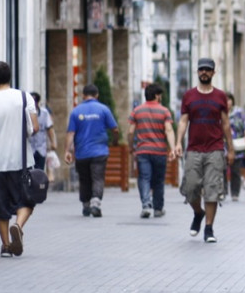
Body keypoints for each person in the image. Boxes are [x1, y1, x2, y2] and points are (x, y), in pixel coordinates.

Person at [0, 61, 38, 257]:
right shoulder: (24, 97)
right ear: (10, 77)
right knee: (26, 201)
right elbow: (34, 127)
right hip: (20, 160)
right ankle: (18, 226)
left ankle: (5, 245)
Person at [171, 58, 232, 243]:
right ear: (197, 72)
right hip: (194, 149)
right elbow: (183, 121)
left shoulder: (220, 96)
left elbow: (226, 123)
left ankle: (209, 228)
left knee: (212, 189)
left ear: (213, 73)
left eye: (208, 70)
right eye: (201, 70)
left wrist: (231, 148)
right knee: (191, 188)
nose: (204, 72)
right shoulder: (189, 96)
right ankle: (198, 213)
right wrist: (178, 143)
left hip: (215, 148)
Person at [64, 84, 119, 218]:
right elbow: (115, 129)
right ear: (97, 95)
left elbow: (71, 133)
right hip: (100, 151)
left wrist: (67, 151)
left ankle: (86, 204)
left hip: (82, 152)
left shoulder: (76, 111)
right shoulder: (104, 109)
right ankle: (95, 203)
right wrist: (115, 141)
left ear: (83, 95)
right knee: (98, 177)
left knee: (84, 179)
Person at [129, 84, 175, 219]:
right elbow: (169, 130)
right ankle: (158, 209)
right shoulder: (164, 111)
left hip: (142, 151)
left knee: (144, 177)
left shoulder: (137, 111)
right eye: (159, 95)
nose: (160, 97)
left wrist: (131, 146)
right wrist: (172, 148)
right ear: (156, 96)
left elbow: (131, 131)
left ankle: (146, 205)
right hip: (159, 151)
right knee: (159, 180)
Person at [227, 93, 245, 200]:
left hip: (237, 144)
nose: (227, 102)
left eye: (229, 100)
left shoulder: (239, 112)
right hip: (223, 144)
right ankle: (222, 192)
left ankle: (235, 193)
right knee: (221, 168)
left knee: (235, 170)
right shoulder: (219, 112)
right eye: (225, 100)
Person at [29, 92, 56, 171]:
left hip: (41, 147)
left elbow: (49, 128)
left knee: (40, 170)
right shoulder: (26, 113)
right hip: (29, 147)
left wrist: (53, 142)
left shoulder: (44, 113)